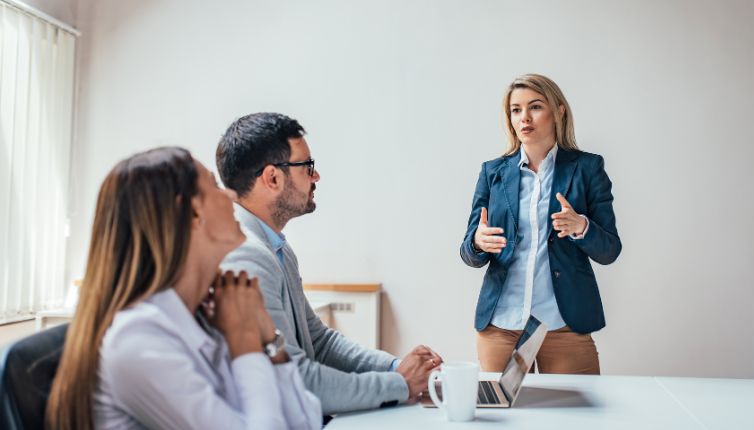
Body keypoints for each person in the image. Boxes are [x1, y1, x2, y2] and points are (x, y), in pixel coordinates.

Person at [47, 147, 321, 429]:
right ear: (191, 213)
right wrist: (246, 341)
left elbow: (307, 420)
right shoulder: (139, 339)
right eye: (215, 187)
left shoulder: (206, 311)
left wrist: (269, 340)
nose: (230, 196)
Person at [216, 112, 443, 414]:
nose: (316, 176)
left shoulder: (275, 247)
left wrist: (396, 367)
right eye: (307, 166)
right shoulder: (248, 255)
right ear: (272, 178)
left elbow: (319, 343)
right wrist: (401, 384)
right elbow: (295, 379)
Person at [460, 74, 622, 375]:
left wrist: (581, 226)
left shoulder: (587, 169)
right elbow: (468, 251)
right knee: (499, 418)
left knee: (575, 420)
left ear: (559, 111)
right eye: (516, 110)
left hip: (563, 326)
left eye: (535, 107)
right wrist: (477, 242)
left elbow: (610, 249)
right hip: (501, 327)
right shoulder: (492, 172)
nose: (524, 118)